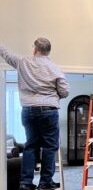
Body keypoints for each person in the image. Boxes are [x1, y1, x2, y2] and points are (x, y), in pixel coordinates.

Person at [0, 38, 69, 190]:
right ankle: (45, 182)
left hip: (28, 111)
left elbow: (5, 53)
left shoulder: (22, 62)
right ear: (48, 51)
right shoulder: (55, 68)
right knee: (50, 147)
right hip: (48, 111)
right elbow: (65, 91)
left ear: (35, 49)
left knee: (31, 146)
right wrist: (52, 96)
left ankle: (25, 183)